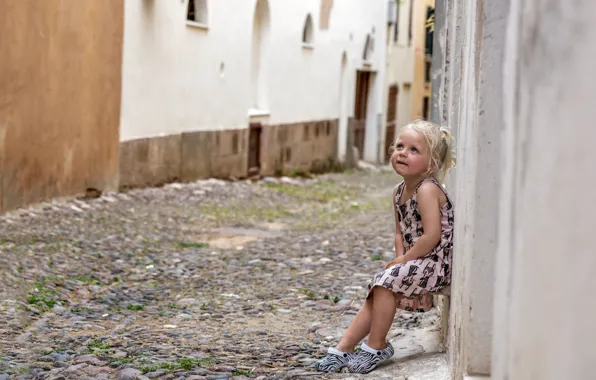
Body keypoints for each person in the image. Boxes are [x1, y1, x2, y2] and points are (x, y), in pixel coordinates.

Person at [315, 120, 456, 374]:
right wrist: (400, 257)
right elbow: (399, 232)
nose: (402, 152)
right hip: (417, 259)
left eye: (414, 150)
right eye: (400, 146)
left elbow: (432, 236)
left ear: (431, 164)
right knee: (381, 283)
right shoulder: (398, 191)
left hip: (437, 262)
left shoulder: (427, 190)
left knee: (385, 281)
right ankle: (344, 347)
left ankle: (376, 345)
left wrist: (404, 261)